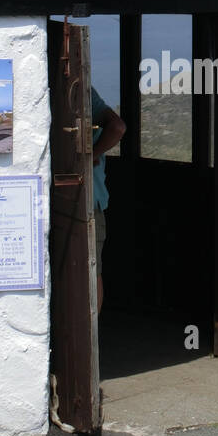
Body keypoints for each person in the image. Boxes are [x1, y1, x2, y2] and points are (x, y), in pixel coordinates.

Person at [90, 86, 126, 314]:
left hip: (87, 199)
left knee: (91, 270)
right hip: (93, 200)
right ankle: (89, 339)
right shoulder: (87, 93)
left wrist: (88, 156)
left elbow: (118, 127)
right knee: (93, 270)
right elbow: (117, 126)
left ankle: (86, 343)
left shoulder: (83, 92)